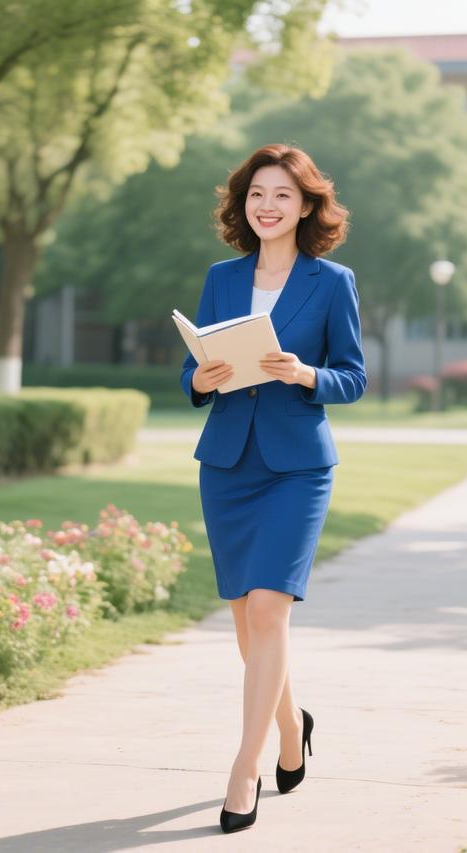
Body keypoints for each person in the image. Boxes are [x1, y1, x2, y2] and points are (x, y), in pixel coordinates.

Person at [178, 143, 367, 833]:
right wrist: (197, 378)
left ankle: (243, 768)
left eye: (282, 195)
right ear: (243, 202)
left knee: (269, 612)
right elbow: (195, 366)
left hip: (296, 468)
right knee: (247, 623)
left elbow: (353, 375)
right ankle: (293, 727)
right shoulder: (221, 278)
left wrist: (304, 373)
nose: (267, 205)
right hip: (228, 465)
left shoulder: (332, 280)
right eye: (257, 193)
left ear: (308, 204)